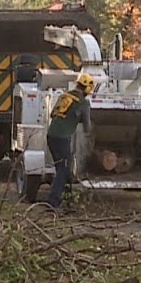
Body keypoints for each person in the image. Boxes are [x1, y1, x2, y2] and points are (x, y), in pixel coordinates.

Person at [44, 72, 94, 209]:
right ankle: (52, 202)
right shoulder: (84, 103)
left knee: (63, 167)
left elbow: (52, 114)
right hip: (61, 138)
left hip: (51, 135)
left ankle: (65, 197)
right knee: (63, 169)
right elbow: (87, 127)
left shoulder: (64, 96)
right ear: (88, 88)